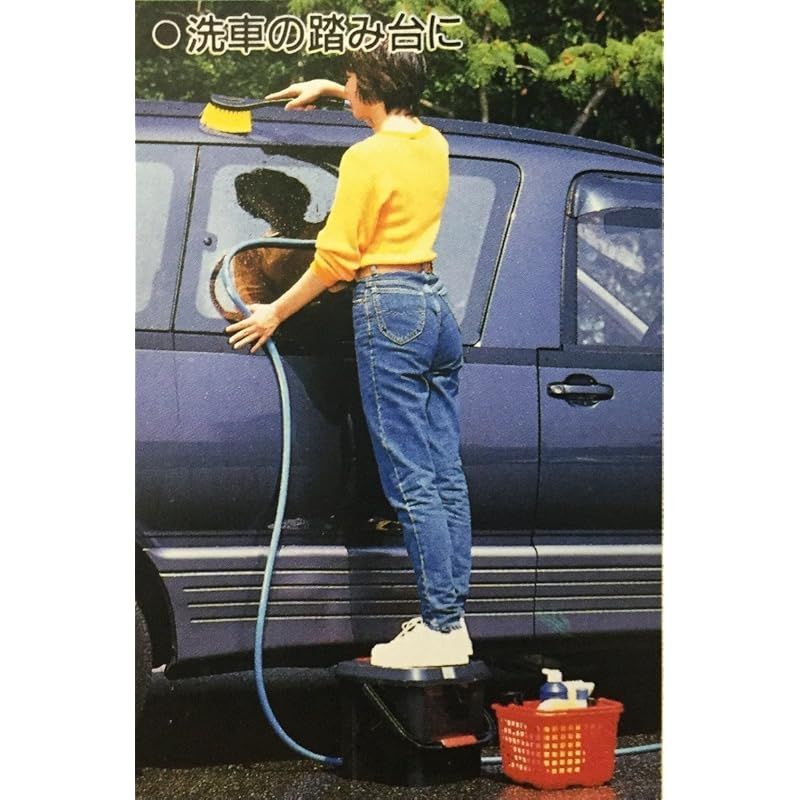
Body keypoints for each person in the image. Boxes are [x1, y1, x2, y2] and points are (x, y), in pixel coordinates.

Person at [225, 44, 473, 670]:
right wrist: (333, 89)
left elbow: (335, 259)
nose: (347, 87)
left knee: (408, 475)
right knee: (443, 474)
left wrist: (274, 312)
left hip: (388, 307)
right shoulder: (432, 142)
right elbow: (393, 107)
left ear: (372, 89)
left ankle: (441, 627)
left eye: (351, 81)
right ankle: (451, 617)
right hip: (433, 305)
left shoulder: (366, 156)